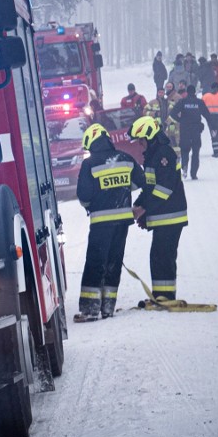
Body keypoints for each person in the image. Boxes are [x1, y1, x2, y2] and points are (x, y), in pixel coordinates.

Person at [74, 123, 146, 322]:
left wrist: (95, 201)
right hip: (122, 222)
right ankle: (108, 308)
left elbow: (84, 195)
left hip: (100, 223)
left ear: (90, 142)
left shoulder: (90, 164)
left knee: (96, 264)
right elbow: (141, 182)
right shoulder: (125, 158)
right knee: (114, 263)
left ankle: (89, 310)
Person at [128, 116, 188, 301]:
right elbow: (149, 187)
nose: (139, 144)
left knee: (164, 257)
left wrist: (144, 209)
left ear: (149, 136)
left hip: (170, 216)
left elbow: (164, 189)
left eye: (140, 140)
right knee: (158, 256)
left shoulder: (163, 154)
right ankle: (161, 295)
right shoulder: (154, 154)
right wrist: (138, 204)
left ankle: (166, 296)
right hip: (163, 215)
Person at [169, 84, 211, 180]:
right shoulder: (199, 102)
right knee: (196, 152)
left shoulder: (182, 102)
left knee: (184, 150)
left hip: (185, 130)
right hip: (196, 130)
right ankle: (193, 174)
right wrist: (212, 127)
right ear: (195, 92)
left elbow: (172, 113)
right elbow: (207, 115)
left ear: (187, 92)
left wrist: (180, 120)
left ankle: (184, 167)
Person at [144, 87, 180, 158]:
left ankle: (176, 157)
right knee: (158, 143)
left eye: (162, 92)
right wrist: (154, 114)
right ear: (157, 93)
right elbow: (144, 111)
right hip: (157, 127)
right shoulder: (152, 102)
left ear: (164, 93)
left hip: (169, 126)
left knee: (173, 142)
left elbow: (177, 112)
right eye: (159, 92)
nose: (161, 94)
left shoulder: (170, 102)